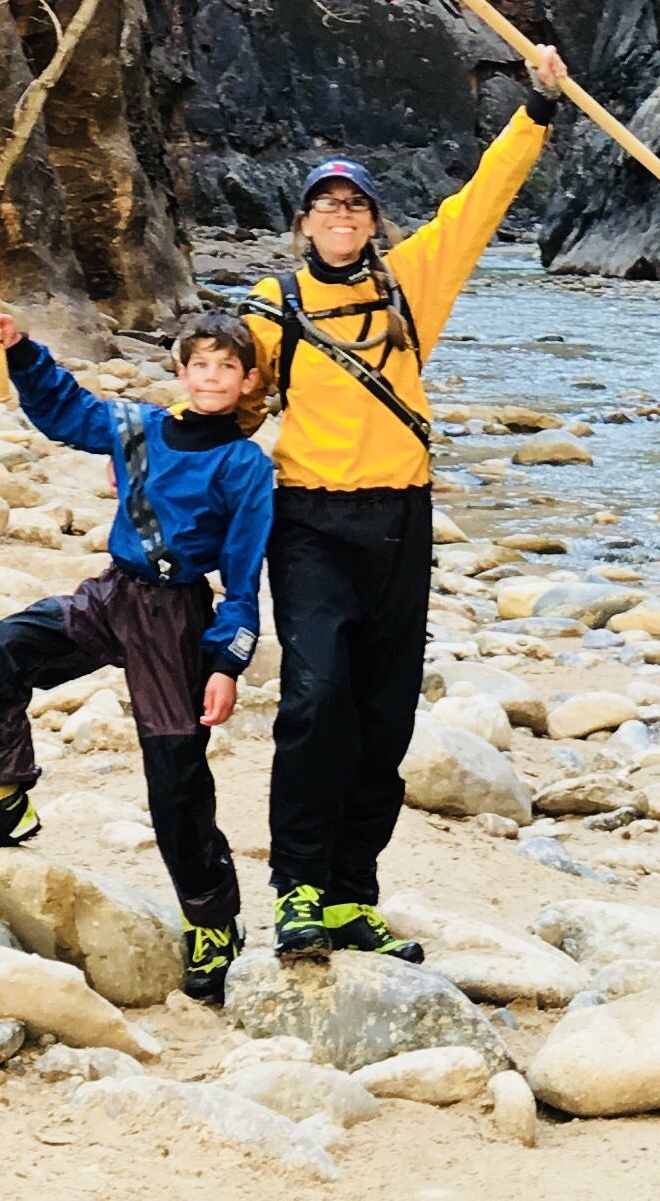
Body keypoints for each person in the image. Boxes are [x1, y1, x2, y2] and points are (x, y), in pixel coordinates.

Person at [240, 49, 568, 963]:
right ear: (304, 223)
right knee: (312, 703)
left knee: (384, 718)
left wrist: (538, 105)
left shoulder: (413, 284)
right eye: (326, 206)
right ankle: (298, 891)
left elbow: (481, 201)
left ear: (372, 221)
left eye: (355, 205)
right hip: (309, 523)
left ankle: (351, 897)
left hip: (400, 525)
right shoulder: (271, 307)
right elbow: (223, 397)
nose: (341, 218)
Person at [0, 308, 276, 1004]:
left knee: (176, 781)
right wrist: (20, 351)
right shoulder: (138, 427)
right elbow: (65, 412)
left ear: (248, 381)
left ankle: (212, 922)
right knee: (10, 645)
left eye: (227, 368)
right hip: (110, 596)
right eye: (200, 364)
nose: (211, 377)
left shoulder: (245, 464)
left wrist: (227, 663)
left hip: (175, 620)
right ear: (180, 371)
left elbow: (242, 574)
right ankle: (1, 795)